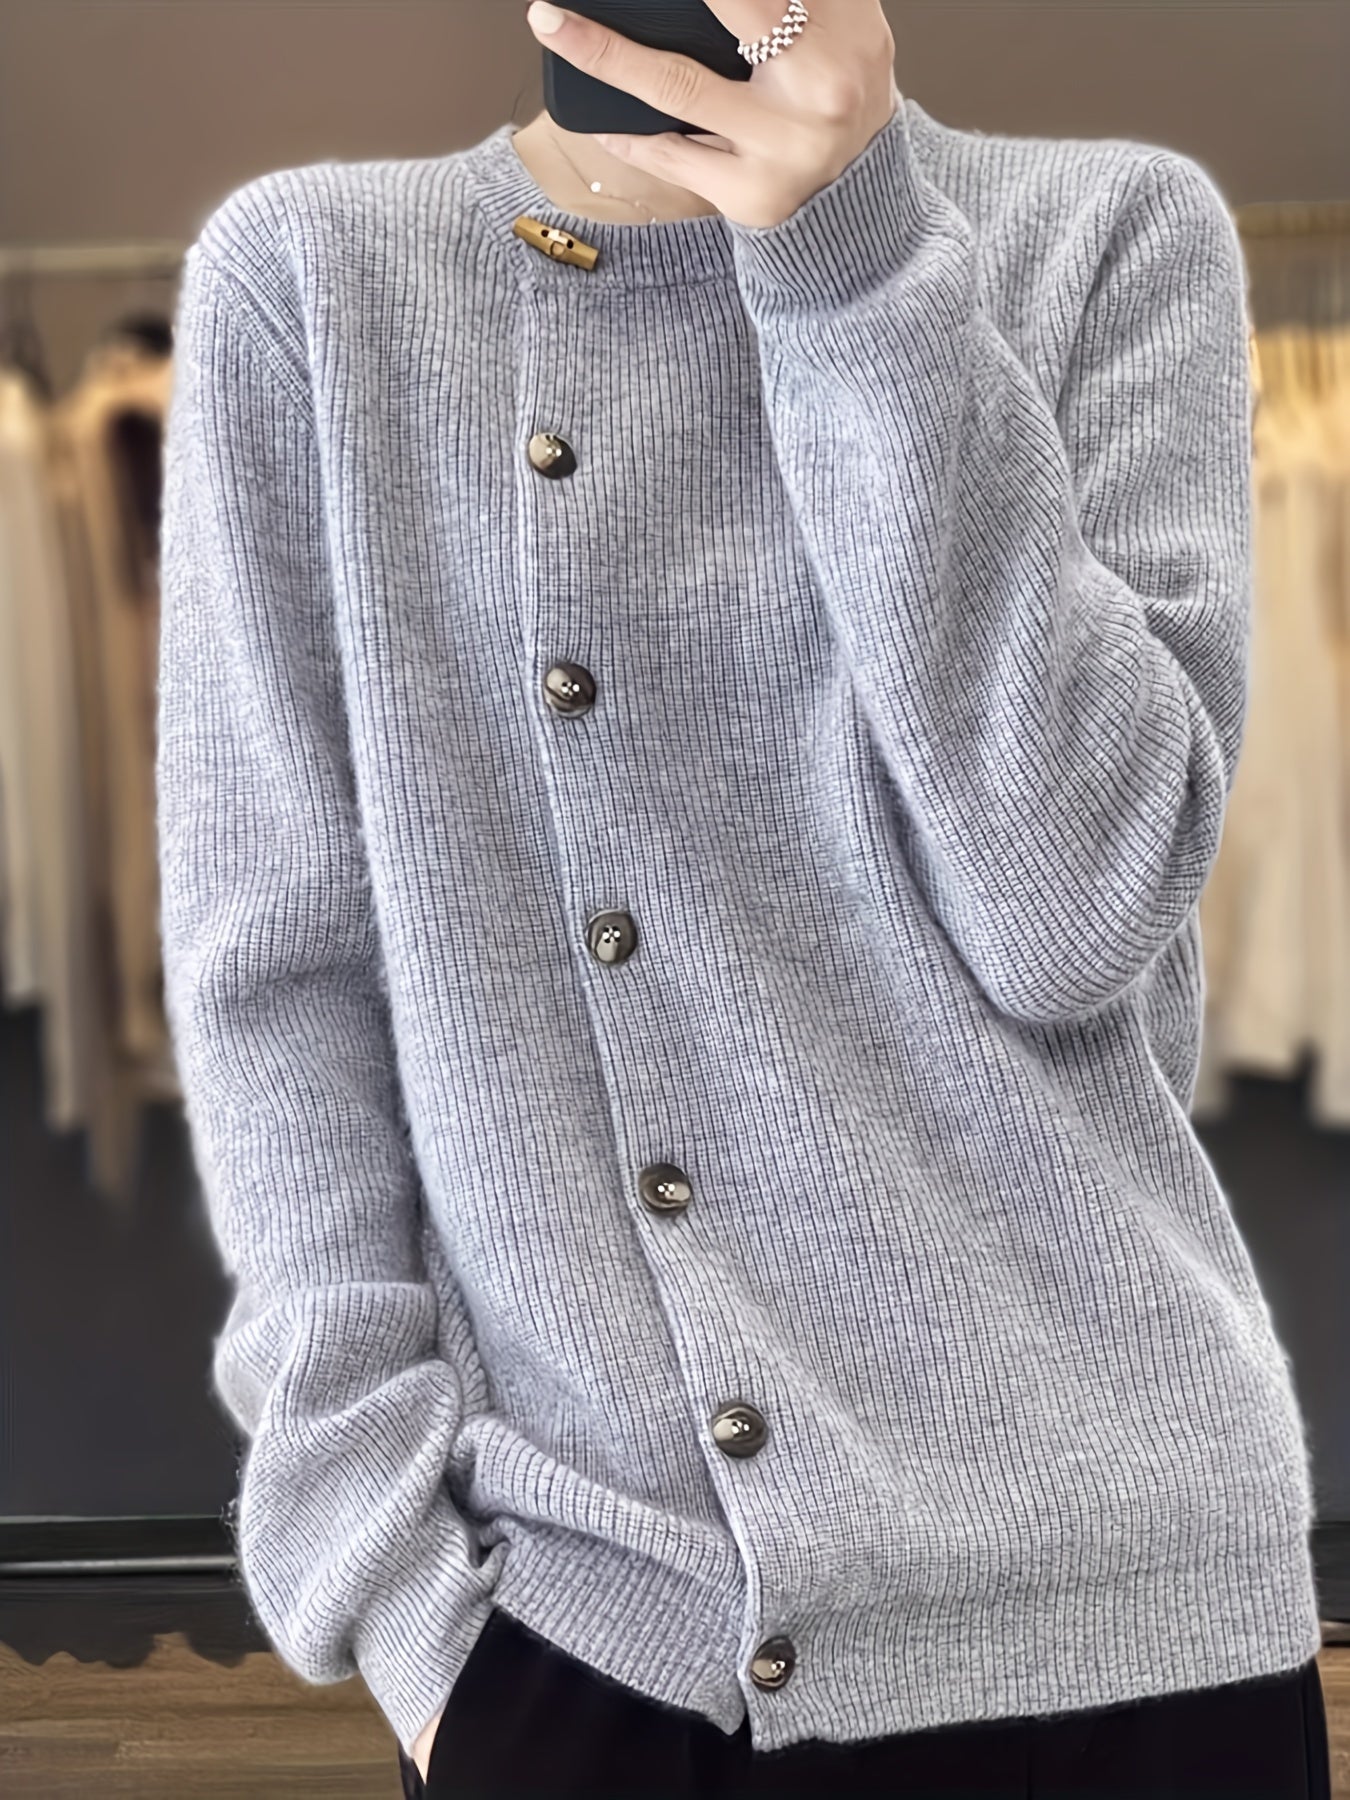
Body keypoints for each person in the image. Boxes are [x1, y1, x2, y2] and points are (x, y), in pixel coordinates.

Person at [155, 2, 1333, 1795]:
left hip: (1128, 1615)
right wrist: (393, 1592)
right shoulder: (314, 287)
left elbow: (1075, 913)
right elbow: (278, 980)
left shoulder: (1103, 235)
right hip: (602, 1637)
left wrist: (853, 267)